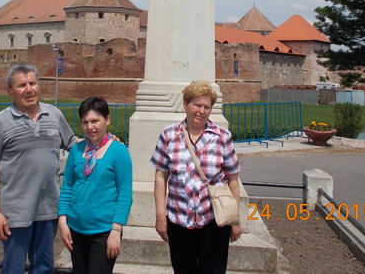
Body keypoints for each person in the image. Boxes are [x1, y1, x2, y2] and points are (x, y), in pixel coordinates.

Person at [0, 63, 76, 274]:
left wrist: (103, 142)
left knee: (43, 268)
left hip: (48, 208)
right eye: (22, 85)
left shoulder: (54, 115)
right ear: (10, 91)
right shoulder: (0, 123)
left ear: (39, 86)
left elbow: (73, 144)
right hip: (15, 212)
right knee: (13, 268)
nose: (29, 89)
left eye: (32, 83)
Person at [150, 81, 242, 274]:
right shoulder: (169, 134)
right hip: (178, 219)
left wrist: (235, 221)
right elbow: (161, 176)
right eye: (197, 105)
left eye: (207, 107)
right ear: (185, 104)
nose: (202, 111)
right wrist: (160, 215)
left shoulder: (222, 136)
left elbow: (233, 179)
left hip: (214, 221)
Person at [58, 97, 133, 274]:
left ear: (107, 120)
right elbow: (67, 186)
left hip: (104, 231)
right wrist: (63, 220)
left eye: (95, 121)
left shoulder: (118, 151)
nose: (90, 127)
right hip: (76, 228)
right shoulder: (76, 150)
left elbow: (125, 193)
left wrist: (116, 229)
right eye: (85, 122)